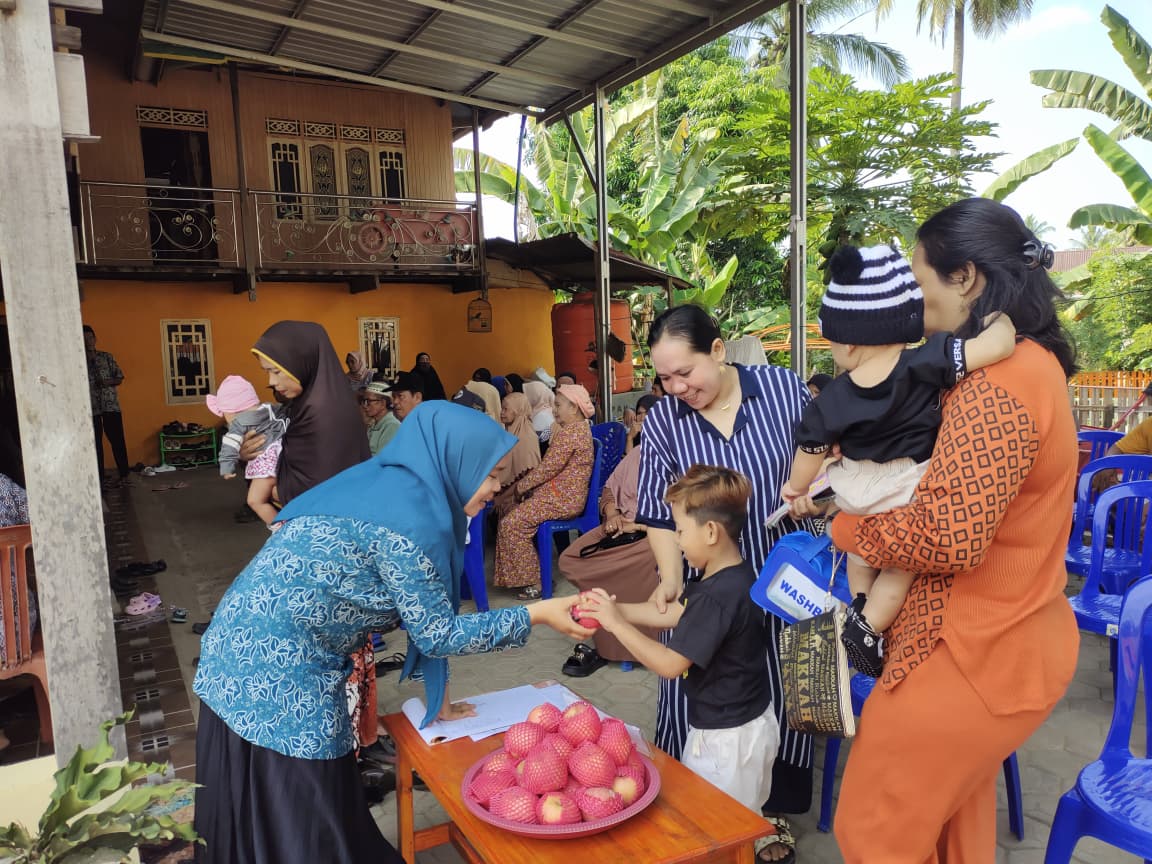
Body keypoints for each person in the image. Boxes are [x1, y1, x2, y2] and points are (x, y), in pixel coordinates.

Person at [192, 402, 593, 864]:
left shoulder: (386, 486)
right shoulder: (410, 524)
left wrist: (442, 703)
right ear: (452, 464)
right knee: (305, 807)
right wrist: (537, 614)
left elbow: (423, 613)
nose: (498, 486)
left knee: (285, 801)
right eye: (491, 473)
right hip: (277, 665)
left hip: (238, 641)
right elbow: (437, 632)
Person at [816, 198, 1079, 862]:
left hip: (973, 654)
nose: (913, 290)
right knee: (953, 835)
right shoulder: (1025, 365)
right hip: (1001, 645)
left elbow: (949, 535)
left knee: (873, 832)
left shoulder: (1000, 387)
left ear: (964, 278)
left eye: (918, 272)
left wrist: (847, 528)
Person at [781, 244, 1017, 676]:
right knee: (901, 565)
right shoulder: (927, 361)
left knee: (858, 553)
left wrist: (796, 488)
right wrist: (999, 320)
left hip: (854, 486)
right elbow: (997, 347)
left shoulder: (831, 398)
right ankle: (869, 626)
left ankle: (857, 603)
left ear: (849, 341)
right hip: (907, 484)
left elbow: (810, 451)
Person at [637, 304, 814, 862]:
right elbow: (658, 513)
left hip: (784, 579)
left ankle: (769, 813)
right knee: (699, 687)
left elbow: (828, 459)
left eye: (684, 373)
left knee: (782, 693)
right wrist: (670, 578)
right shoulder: (666, 420)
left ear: (718, 349)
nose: (676, 387)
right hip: (709, 584)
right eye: (664, 378)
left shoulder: (783, 390)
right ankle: (695, 802)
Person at [578, 465, 780, 862]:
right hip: (750, 725)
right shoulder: (732, 576)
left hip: (726, 741)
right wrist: (611, 610)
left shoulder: (715, 597)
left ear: (709, 533)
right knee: (737, 823)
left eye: (680, 530)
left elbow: (670, 664)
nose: (677, 541)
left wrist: (615, 626)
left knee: (715, 835)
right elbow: (674, 615)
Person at [244, 321, 378, 761]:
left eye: (277, 371)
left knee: (328, 658)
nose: (271, 381)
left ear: (302, 365)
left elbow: (310, 495)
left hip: (330, 560)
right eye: (267, 372)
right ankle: (341, 743)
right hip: (320, 553)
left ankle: (338, 751)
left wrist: (268, 476)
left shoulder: (324, 417)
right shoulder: (308, 408)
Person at [559, 394, 660, 676]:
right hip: (619, 528)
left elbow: (677, 520)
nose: (642, 421)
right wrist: (613, 515)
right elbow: (609, 490)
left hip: (650, 536)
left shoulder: (677, 460)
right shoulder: (638, 455)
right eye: (639, 415)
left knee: (637, 565)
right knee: (571, 559)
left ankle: (625, 644)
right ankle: (602, 625)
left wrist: (636, 526)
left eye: (649, 416)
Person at [495, 384, 595, 600]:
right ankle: (524, 575)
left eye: (558, 405)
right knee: (511, 514)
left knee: (511, 524)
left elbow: (547, 469)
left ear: (575, 409)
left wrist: (521, 488)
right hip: (558, 496)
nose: (554, 410)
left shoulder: (571, 434)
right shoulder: (575, 430)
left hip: (562, 500)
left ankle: (537, 582)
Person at [207, 375, 290, 529]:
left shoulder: (239, 423)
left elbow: (229, 445)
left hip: (266, 469)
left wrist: (226, 466)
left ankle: (280, 528)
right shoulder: (272, 409)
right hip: (287, 463)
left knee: (255, 501)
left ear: (230, 412)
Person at [84, 325, 130, 489]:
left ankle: (124, 474)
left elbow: (119, 378)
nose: (88, 341)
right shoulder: (79, 360)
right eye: (84, 338)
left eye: (90, 338)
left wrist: (107, 382)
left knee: (117, 439)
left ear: (95, 339)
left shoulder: (106, 357)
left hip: (110, 405)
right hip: (90, 407)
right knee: (95, 442)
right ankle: (100, 477)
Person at [1090, 411, 1152, 492]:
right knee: (1103, 480)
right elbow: (1118, 448)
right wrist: (1108, 465)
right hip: (1145, 483)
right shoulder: (1149, 424)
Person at [497, 392, 541, 487]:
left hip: (517, 494)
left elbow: (528, 475)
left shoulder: (527, 438)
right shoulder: (509, 432)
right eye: (502, 408)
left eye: (506, 409)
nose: (502, 412)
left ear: (518, 411)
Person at [359, 381, 400, 455]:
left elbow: (381, 460)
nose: (364, 405)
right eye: (364, 401)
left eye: (368, 401)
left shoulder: (392, 426)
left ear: (382, 403)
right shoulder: (373, 424)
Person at [524, 381, 557, 447]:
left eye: (528, 393)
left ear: (534, 396)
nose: (525, 397)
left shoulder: (541, 415)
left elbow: (534, 442)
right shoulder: (548, 409)